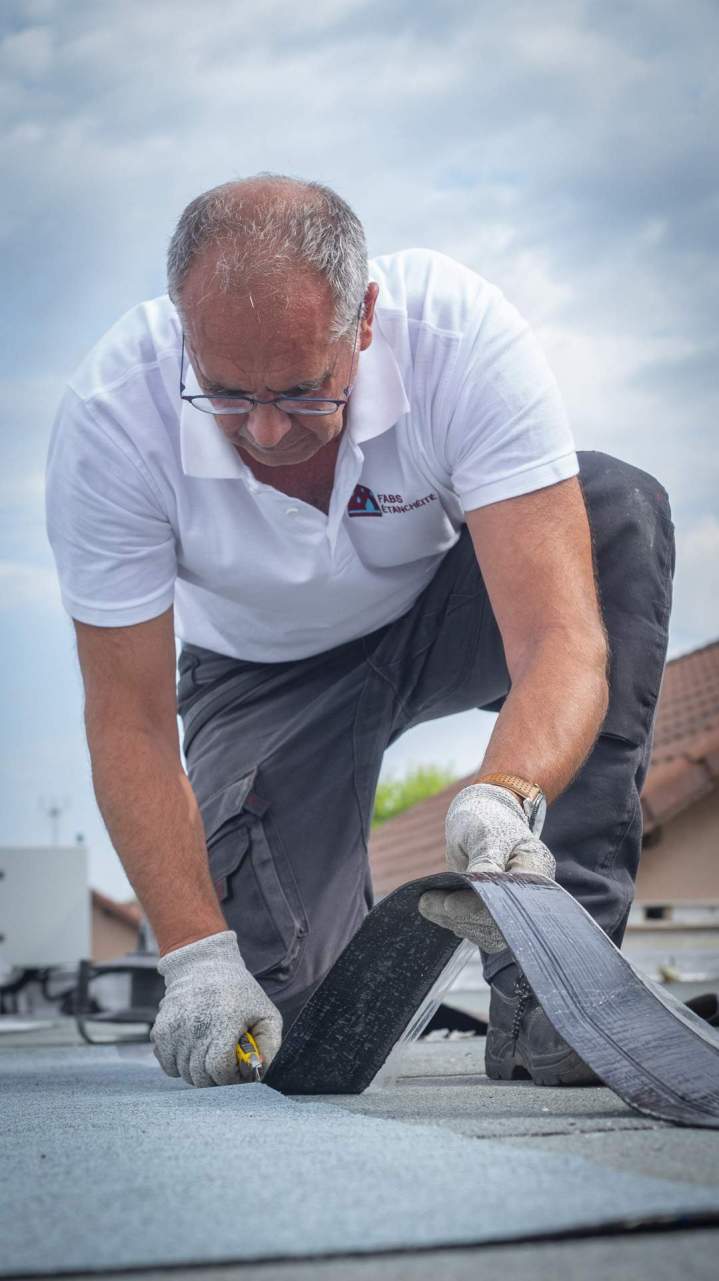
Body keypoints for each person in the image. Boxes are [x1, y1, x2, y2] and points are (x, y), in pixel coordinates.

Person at [45, 174, 674, 1088]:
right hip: (257, 675)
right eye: (226, 395)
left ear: (365, 319)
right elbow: (128, 723)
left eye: (303, 391)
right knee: (290, 1028)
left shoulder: (456, 338)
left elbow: (558, 638)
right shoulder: (111, 417)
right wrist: (194, 954)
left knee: (613, 509)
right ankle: (294, 960)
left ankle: (555, 999)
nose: (265, 431)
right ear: (184, 331)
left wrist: (508, 791)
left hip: (440, 615)